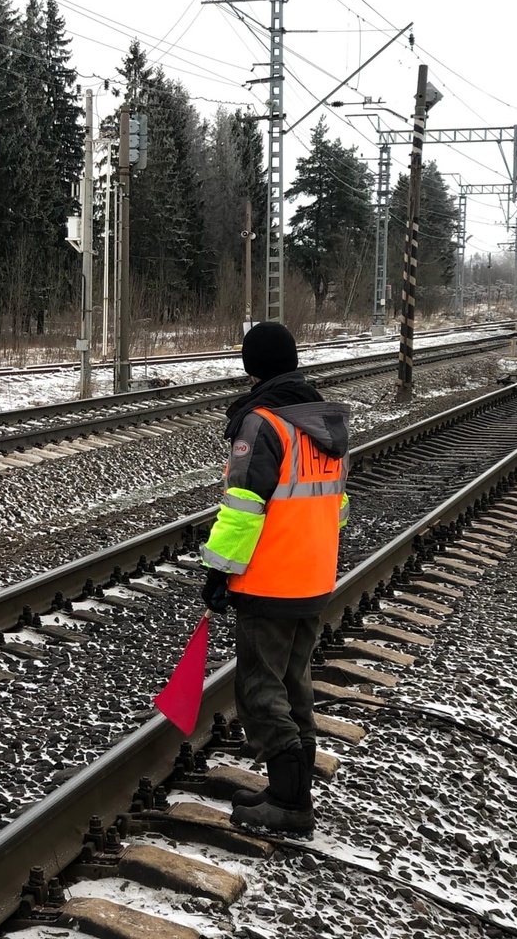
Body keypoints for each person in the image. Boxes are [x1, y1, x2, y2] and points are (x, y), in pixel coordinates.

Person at [200, 321, 351, 837]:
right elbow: (337, 509)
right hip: (314, 577)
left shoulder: (263, 425)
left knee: (260, 690)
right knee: (294, 684)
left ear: (252, 366)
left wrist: (219, 570)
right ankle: (289, 790)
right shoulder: (322, 425)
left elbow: (243, 508)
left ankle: (289, 804)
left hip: (270, 580)